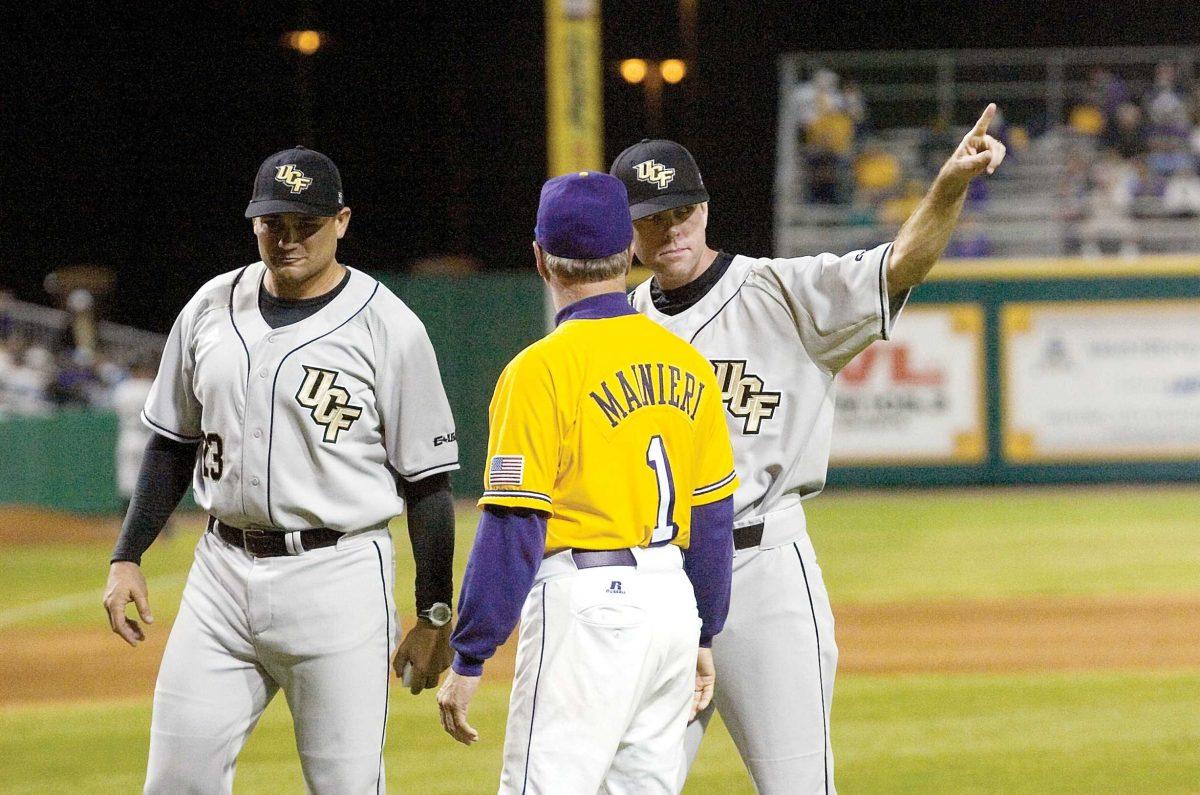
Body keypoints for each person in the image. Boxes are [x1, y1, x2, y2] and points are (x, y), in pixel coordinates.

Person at [611, 104, 1007, 794]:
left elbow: (901, 264)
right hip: (654, 577)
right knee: (624, 785)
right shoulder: (619, 329)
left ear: (703, 208)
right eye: (649, 216)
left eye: (678, 211)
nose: (668, 229)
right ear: (628, 230)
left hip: (759, 566)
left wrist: (946, 186)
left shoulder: (782, 291)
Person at [101, 146, 461, 794]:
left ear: (342, 221)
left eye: (307, 223)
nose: (289, 237)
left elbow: (428, 484)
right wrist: (127, 555)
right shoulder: (211, 305)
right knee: (174, 782)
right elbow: (172, 443)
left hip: (338, 576)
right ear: (254, 222)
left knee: (345, 786)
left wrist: (434, 613)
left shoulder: (388, 327)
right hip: (220, 575)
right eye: (275, 222)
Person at [435, 171, 738, 793]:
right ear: (629, 250)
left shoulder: (539, 369)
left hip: (589, 609)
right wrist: (702, 629)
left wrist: (471, 653)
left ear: (541, 258)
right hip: (670, 606)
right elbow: (712, 521)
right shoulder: (688, 363)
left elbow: (515, 525)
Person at [111, 354, 157, 517]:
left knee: (128, 481)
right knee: (150, 482)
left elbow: (117, 409)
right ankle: (160, 524)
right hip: (147, 438)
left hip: (128, 437)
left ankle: (125, 520)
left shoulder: (122, 388)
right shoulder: (151, 386)